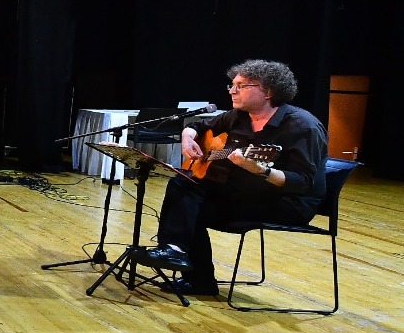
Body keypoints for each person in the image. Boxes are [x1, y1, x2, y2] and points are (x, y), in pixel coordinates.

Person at [140, 60, 329, 296]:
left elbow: (302, 181)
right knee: (182, 185)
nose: (232, 90)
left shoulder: (303, 127)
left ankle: (193, 273)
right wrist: (188, 136)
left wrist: (260, 169)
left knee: (190, 207)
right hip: (243, 192)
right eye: (232, 85)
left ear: (268, 92)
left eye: (241, 86)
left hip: (286, 202)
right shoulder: (238, 116)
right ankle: (179, 255)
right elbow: (199, 126)